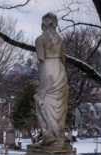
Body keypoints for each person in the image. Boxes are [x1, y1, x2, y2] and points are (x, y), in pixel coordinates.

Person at [34, 12, 69, 147]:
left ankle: (49, 135)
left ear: (43, 25)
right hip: (60, 72)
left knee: (41, 100)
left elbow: (41, 58)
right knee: (59, 106)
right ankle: (57, 136)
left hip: (48, 71)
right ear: (55, 25)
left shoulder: (39, 40)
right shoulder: (59, 40)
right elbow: (62, 58)